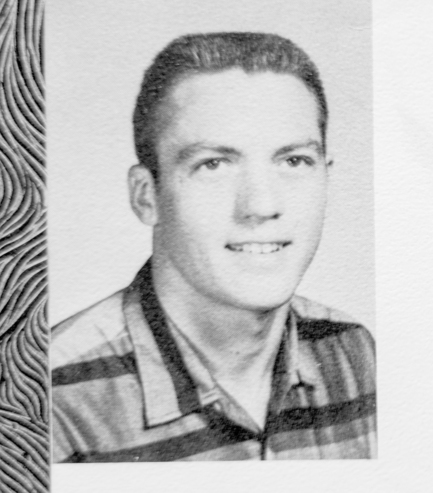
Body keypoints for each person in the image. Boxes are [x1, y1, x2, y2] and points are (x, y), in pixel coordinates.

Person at [51, 33, 377, 462]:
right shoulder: (49, 395)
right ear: (146, 196)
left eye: (294, 161)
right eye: (214, 165)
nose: (261, 206)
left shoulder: (354, 355)